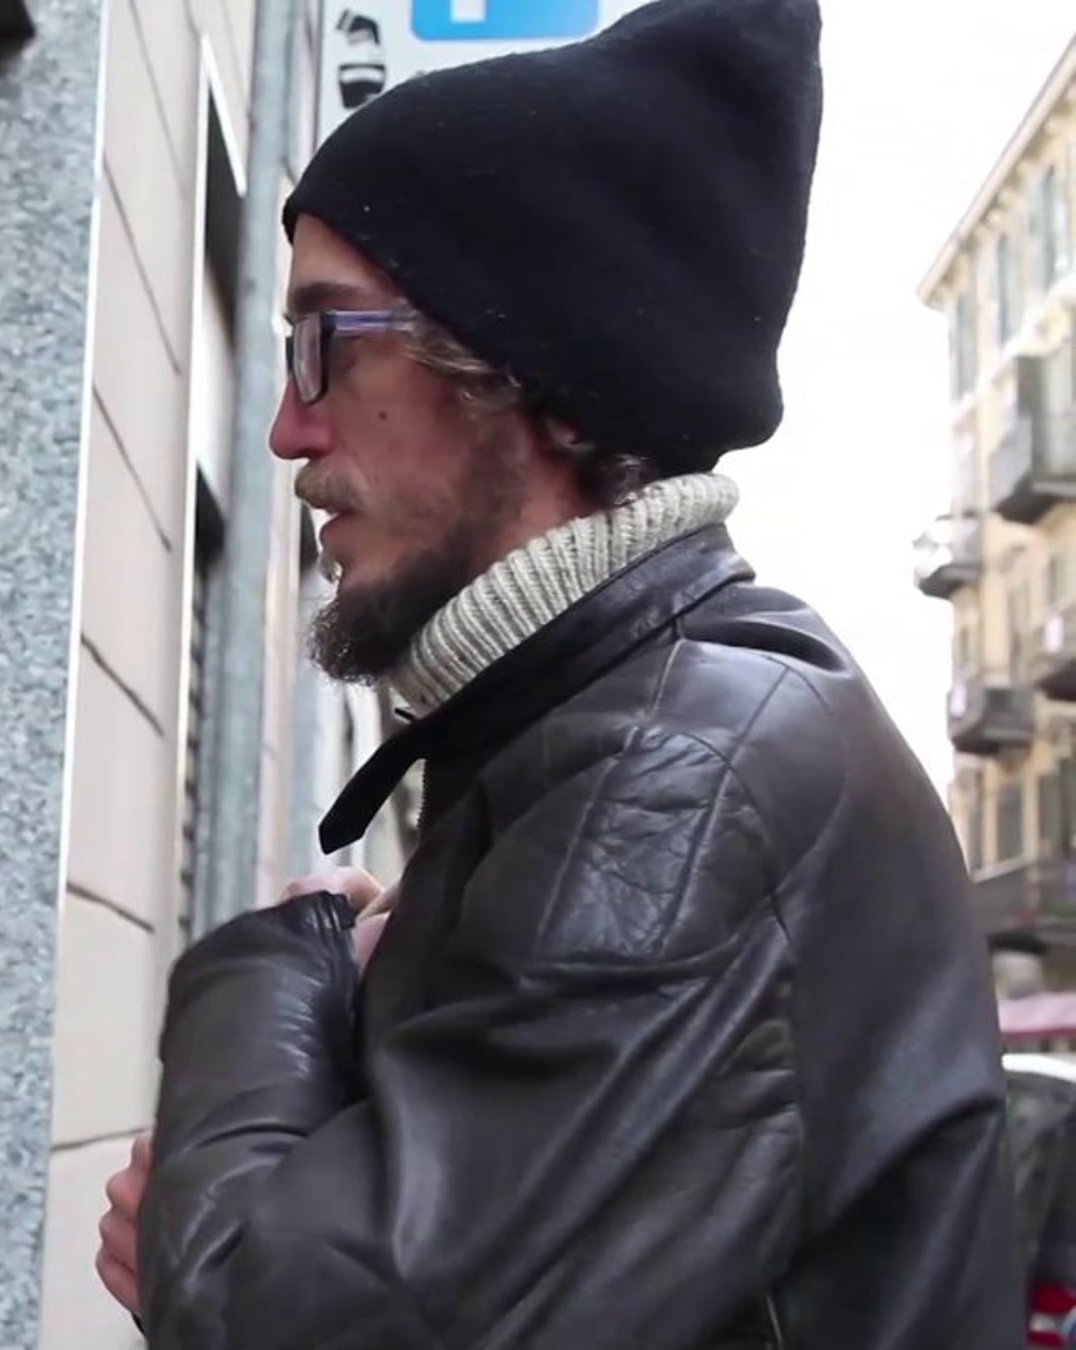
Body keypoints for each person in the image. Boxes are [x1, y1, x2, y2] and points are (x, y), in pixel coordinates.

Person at [93, 0, 1020, 1344]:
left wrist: (286, 971)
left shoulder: (676, 779)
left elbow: (274, 1313)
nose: (290, 427)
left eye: (327, 343)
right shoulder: (613, 731)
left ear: (546, 383)